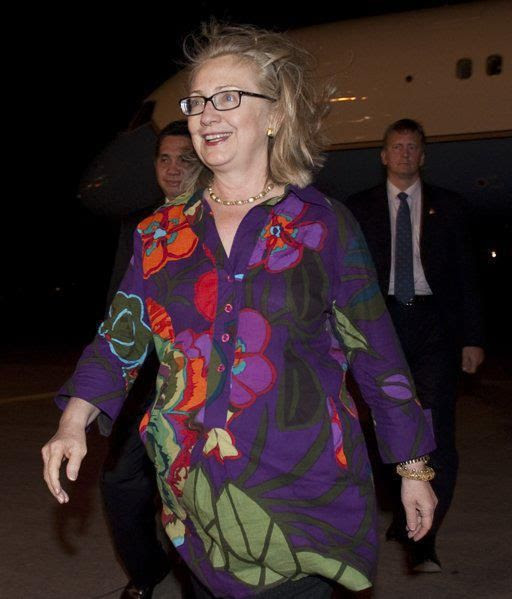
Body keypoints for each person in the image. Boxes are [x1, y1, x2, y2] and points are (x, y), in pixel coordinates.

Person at [42, 25, 437, 598]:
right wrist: (73, 421)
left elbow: (376, 351)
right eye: (197, 101)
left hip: (301, 490)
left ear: (275, 114)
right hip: (195, 500)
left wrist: (412, 467)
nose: (206, 115)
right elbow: (119, 337)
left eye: (227, 98)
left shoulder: (323, 224)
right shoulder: (162, 233)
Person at [345, 118, 485, 573]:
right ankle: (402, 508)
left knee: (436, 426)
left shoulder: (451, 207)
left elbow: (467, 276)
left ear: (422, 156)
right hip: (380, 322)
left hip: (435, 327)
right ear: (383, 155)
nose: (404, 153)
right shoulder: (358, 209)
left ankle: (426, 536)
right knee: (385, 424)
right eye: (397, 146)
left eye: (412, 147)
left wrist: (473, 338)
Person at [80, 120, 196, 599]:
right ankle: (147, 570)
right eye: (164, 159)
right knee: (120, 484)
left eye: (184, 159)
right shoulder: (138, 226)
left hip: (197, 382)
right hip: (143, 381)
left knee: (195, 491)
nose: (173, 169)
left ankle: (199, 577)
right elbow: (119, 309)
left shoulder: (218, 222)